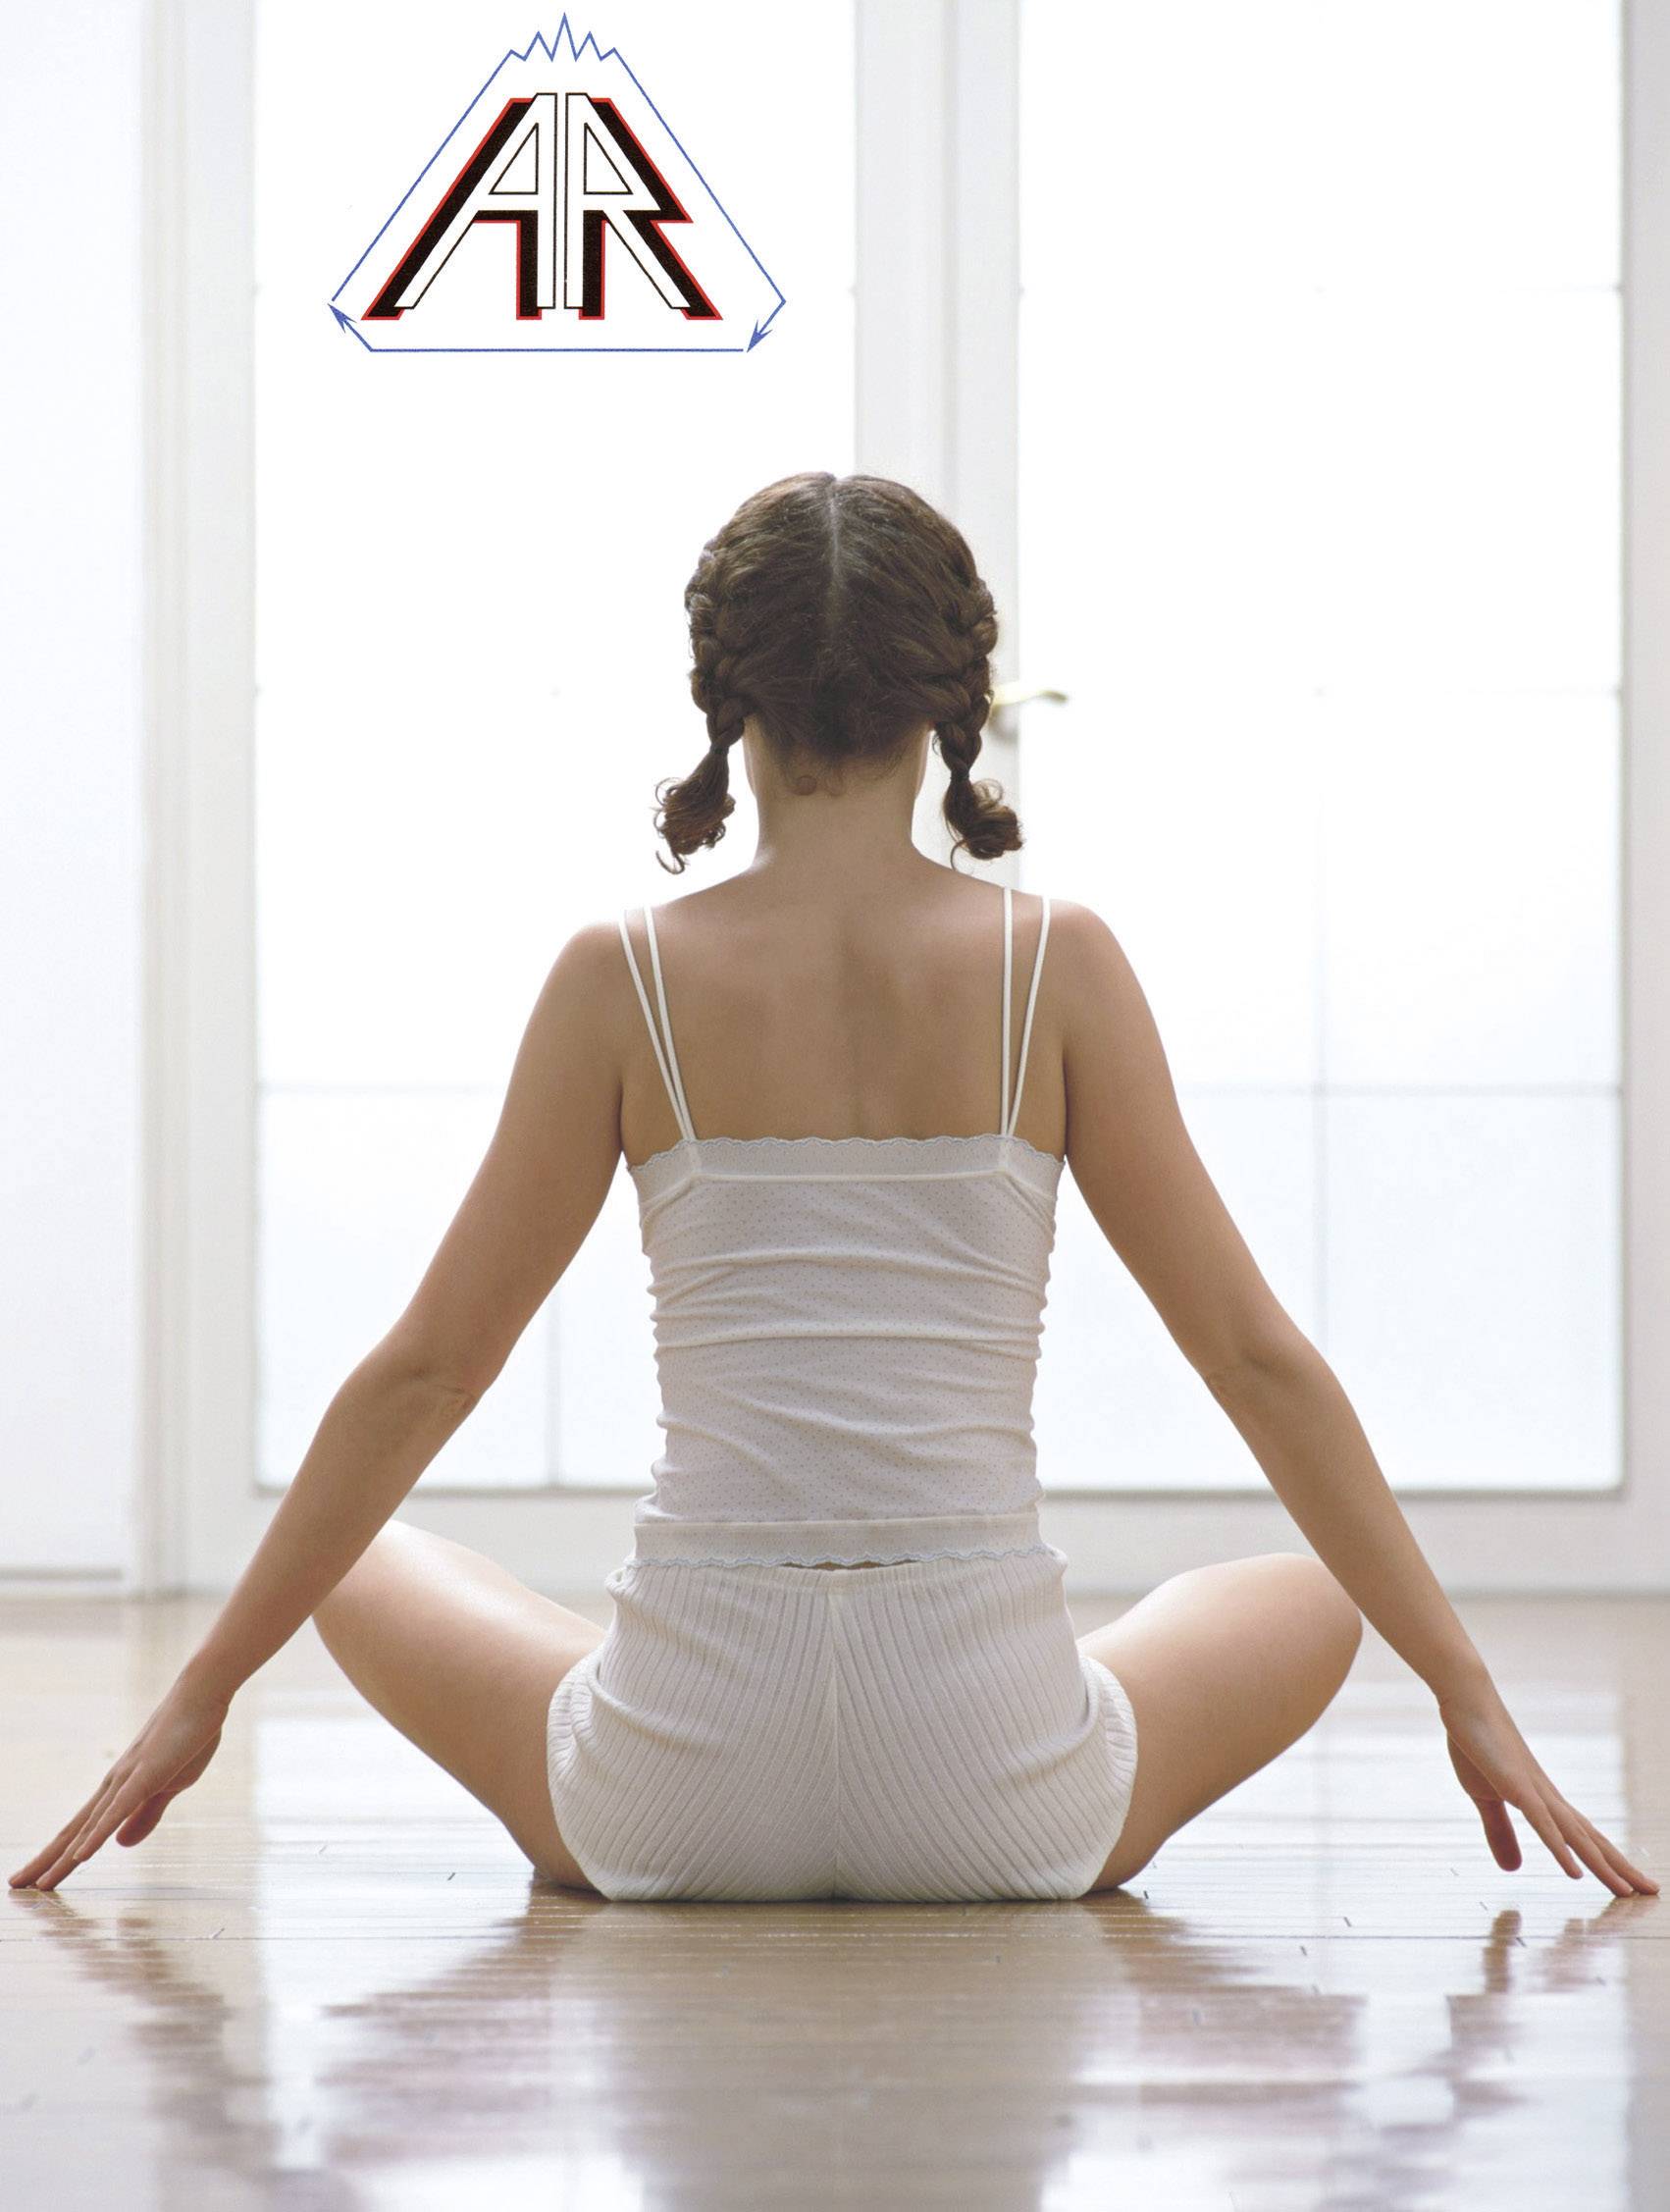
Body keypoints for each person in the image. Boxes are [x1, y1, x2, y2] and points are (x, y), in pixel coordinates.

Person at [12, 473, 1655, 1903]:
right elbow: (1255, 1361)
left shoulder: (623, 977)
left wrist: (200, 1691)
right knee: (1309, 1593)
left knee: (363, 1555)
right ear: (956, 695)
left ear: (730, 699)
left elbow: (426, 1368)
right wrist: (1465, 1687)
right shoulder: (1053, 965)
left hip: (673, 1785)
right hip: (999, 1783)